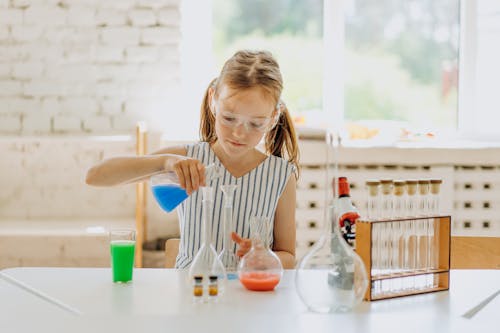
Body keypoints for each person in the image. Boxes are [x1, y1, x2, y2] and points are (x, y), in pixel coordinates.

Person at [86, 50, 300, 269]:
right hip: (192, 293)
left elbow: (288, 257)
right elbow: (95, 176)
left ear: (274, 117)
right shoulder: (186, 159)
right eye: (229, 118)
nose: (239, 133)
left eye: (255, 124)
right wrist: (164, 162)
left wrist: (264, 258)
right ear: (213, 100)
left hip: (250, 296)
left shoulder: (280, 175)